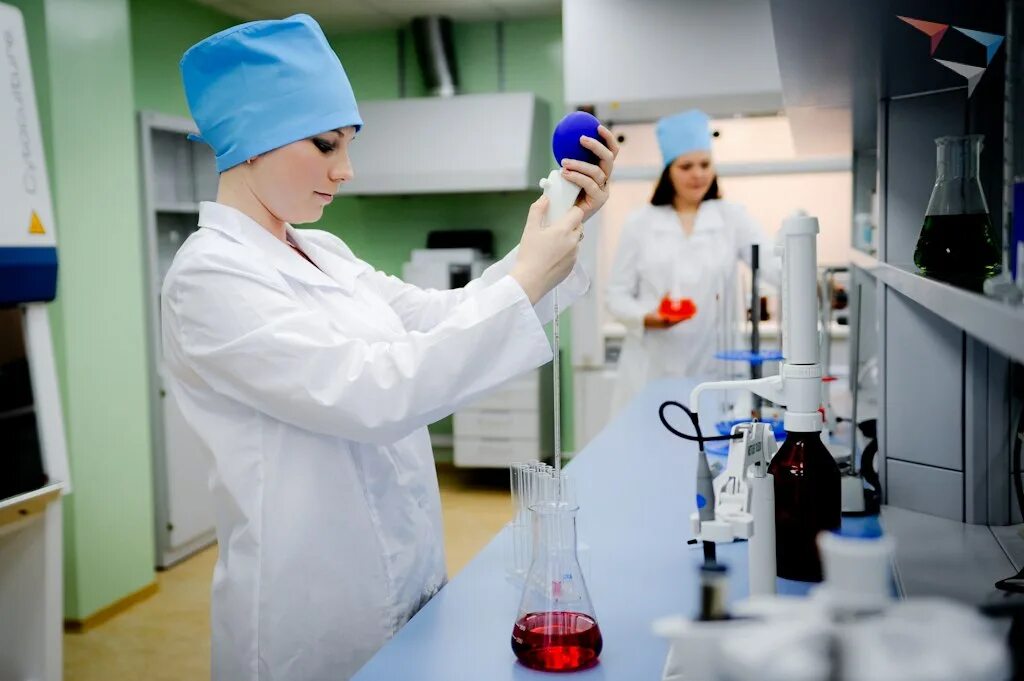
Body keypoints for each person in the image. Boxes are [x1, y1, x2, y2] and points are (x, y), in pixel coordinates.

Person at [163, 14, 618, 681]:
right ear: (252, 141)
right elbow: (374, 392)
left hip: (407, 575)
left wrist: (555, 230)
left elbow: (439, 317)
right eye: (325, 145)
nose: (345, 170)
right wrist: (527, 277)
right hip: (315, 612)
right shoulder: (209, 277)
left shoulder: (323, 250)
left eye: (348, 144)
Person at [605, 109, 774, 414]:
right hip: (651, 368)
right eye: (686, 166)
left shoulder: (732, 217)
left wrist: (808, 277)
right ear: (668, 171)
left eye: (705, 164)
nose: (698, 174)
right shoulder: (640, 223)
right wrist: (649, 318)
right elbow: (616, 295)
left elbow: (773, 265)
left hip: (714, 368)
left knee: (713, 436)